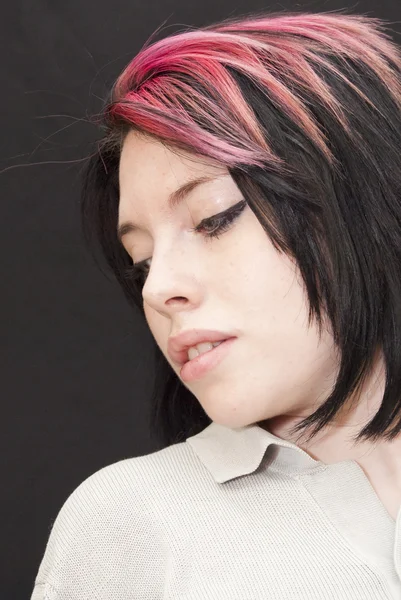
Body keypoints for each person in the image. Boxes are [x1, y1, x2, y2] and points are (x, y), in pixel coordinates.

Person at [31, 9, 401, 599]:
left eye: (212, 219)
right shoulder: (131, 522)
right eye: (141, 262)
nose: (156, 289)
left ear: (366, 204)